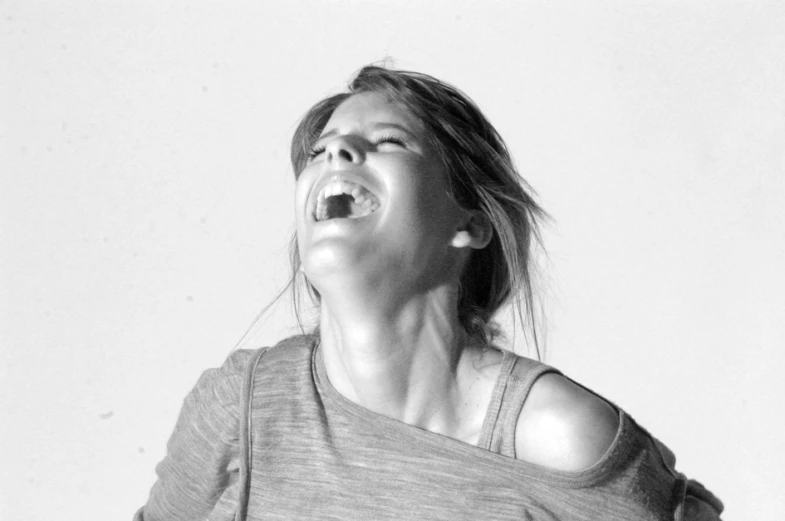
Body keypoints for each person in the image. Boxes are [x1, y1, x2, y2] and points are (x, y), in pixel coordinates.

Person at [134, 65, 723, 520]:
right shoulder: (238, 407)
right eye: (319, 150)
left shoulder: (565, 440)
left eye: (388, 141)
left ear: (468, 223)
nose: (335, 153)